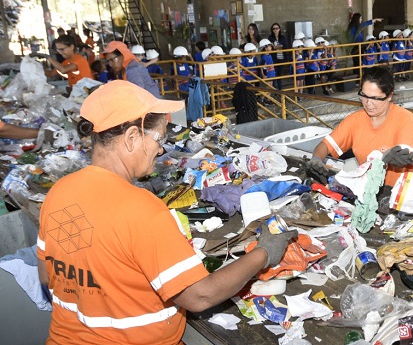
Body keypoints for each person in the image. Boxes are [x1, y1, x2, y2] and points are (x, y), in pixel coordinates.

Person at [37, 80, 297, 344]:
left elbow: (48, 276)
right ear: (131, 138)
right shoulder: (142, 209)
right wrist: (263, 253)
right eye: (159, 139)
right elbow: (200, 296)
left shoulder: (59, 192)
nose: (161, 149)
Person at [310, 66, 413, 187]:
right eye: (364, 96)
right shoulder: (355, 120)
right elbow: (326, 145)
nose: (368, 103)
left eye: (375, 98)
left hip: (399, 192)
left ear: (389, 96)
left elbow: (402, 159)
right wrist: (317, 158)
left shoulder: (405, 119)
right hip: (367, 190)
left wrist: (390, 157)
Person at [269, 23, 289, 89]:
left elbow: (285, 46)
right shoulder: (270, 37)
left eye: (277, 28)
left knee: (279, 74)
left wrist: (277, 47)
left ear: (279, 29)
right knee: (274, 74)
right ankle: (274, 89)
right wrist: (280, 46)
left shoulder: (282, 37)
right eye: (274, 29)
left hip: (281, 58)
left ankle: (280, 89)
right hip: (274, 58)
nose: (275, 30)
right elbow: (271, 47)